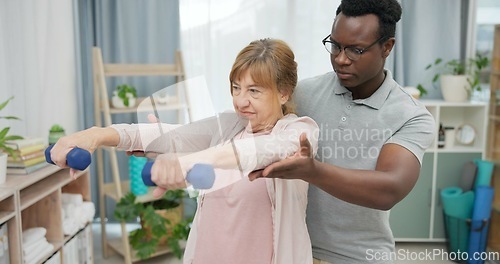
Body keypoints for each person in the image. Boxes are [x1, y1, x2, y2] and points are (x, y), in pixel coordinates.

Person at [49, 38, 319, 263]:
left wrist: (185, 163)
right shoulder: (229, 124)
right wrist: (94, 136)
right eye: (236, 88)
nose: (240, 100)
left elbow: (257, 152)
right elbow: (167, 135)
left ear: (283, 93)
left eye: (254, 91)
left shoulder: (299, 133)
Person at [249, 1, 435, 263]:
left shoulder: (410, 116)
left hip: (360, 256)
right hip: (293, 250)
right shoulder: (303, 94)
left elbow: (389, 190)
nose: (340, 58)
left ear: (387, 47)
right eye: (335, 45)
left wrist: (313, 171)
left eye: (356, 50)